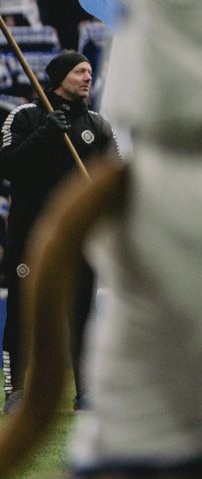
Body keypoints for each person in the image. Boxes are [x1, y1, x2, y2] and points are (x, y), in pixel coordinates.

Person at [0, 51, 117, 412]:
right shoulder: (25, 116)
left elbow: (113, 173)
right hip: (30, 235)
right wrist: (46, 132)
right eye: (80, 71)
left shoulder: (98, 124)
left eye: (89, 71)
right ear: (60, 77)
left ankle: (85, 391)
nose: (87, 77)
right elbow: (8, 166)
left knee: (81, 311)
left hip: (80, 237)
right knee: (22, 310)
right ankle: (15, 391)